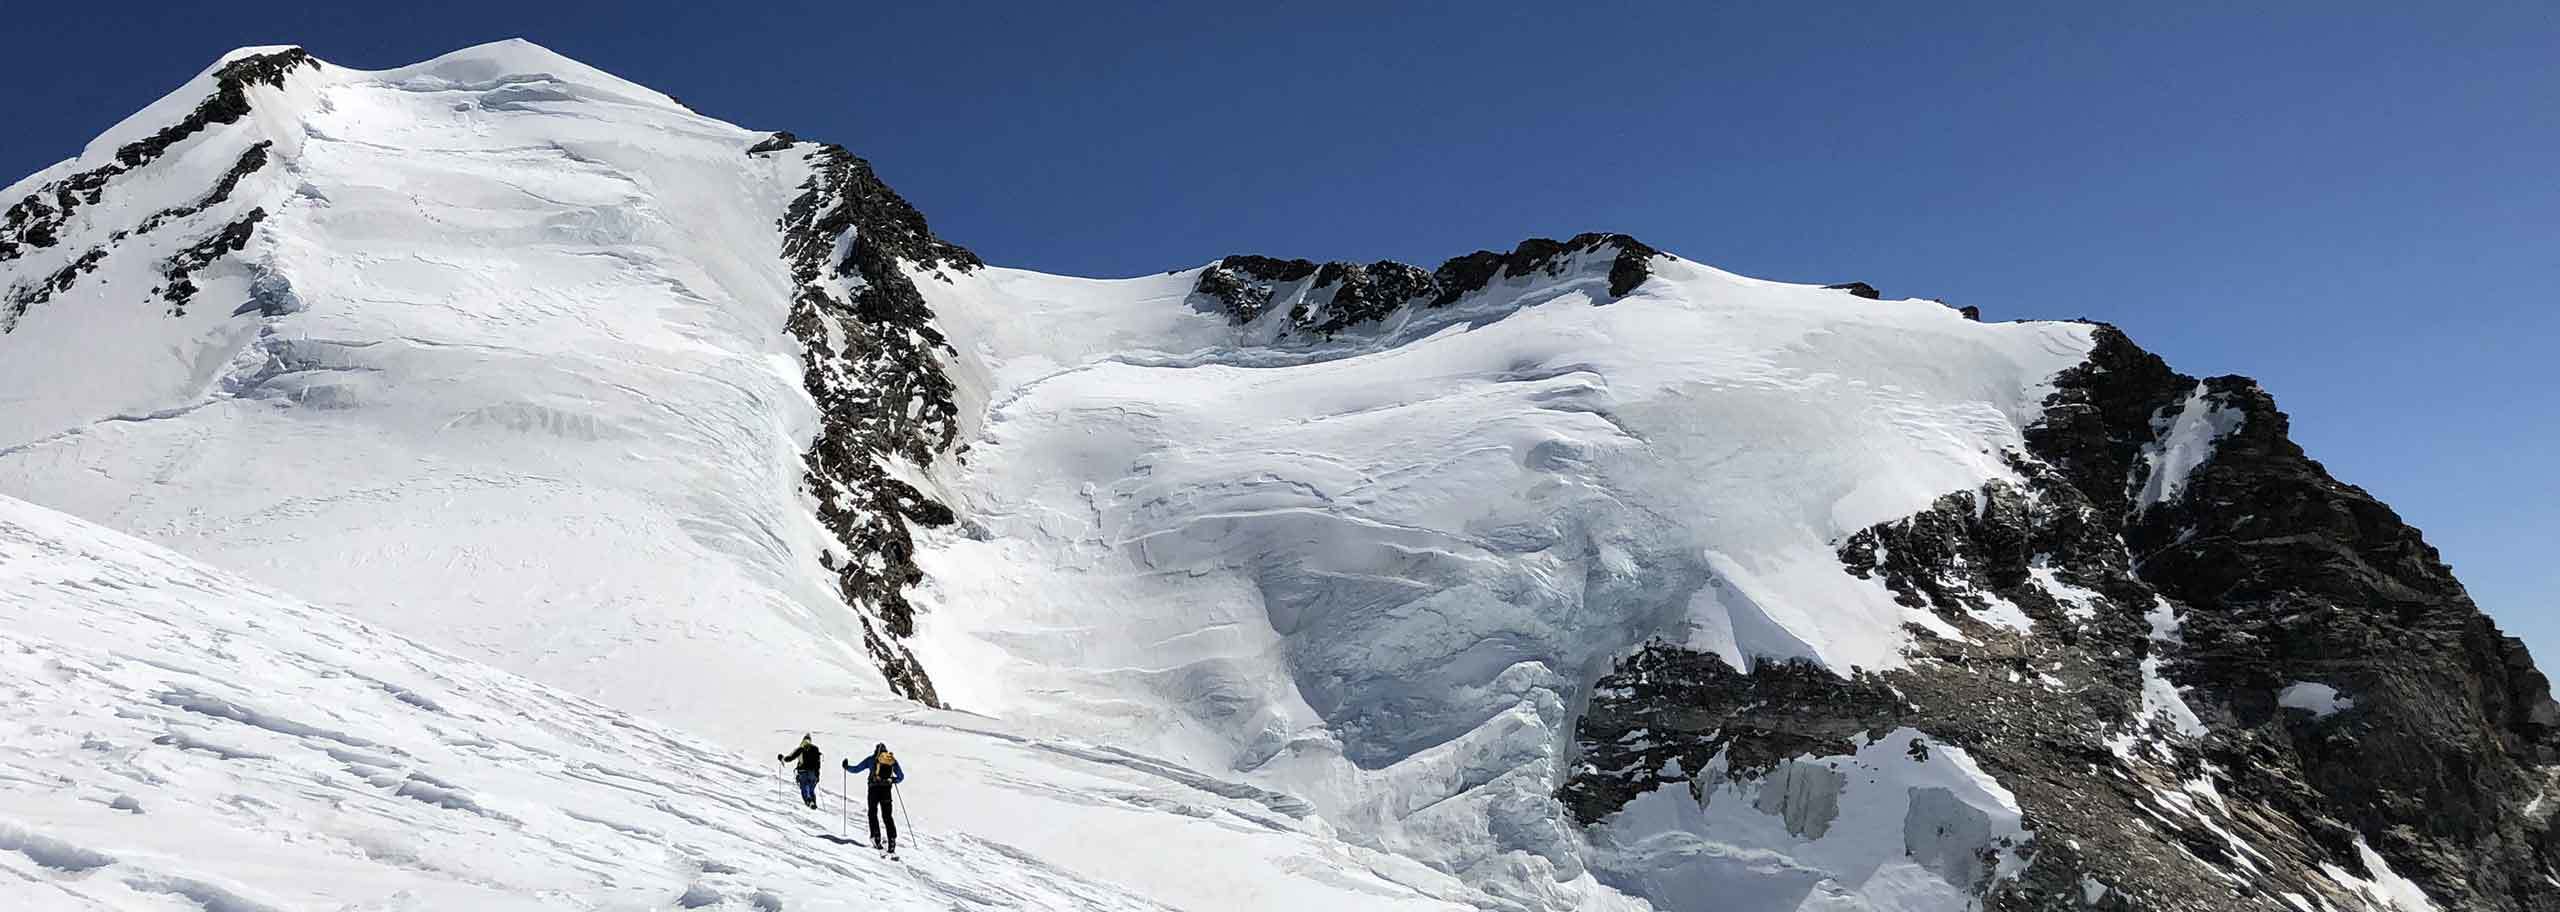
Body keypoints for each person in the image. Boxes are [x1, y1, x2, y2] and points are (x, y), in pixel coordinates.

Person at [843, 742, 906, 853]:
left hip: (873, 789)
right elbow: (901, 777)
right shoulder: (891, 761)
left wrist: (846, 767)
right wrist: (893, 780)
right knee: (887, 816)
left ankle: (876, 837)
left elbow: (857, 769)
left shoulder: (871, 759)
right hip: (886, 790)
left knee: (872, 812)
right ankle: (892, 840)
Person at [777, 734, 823, 810]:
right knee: (811, 789)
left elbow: (790, 758)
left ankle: (808, 801)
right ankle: (813, 802)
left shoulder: (800, 748)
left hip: (803, 772)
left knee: (804, 787)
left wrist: (782, 758)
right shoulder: (815, 749)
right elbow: (818, 764)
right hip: (813, 773)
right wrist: (817, 775)